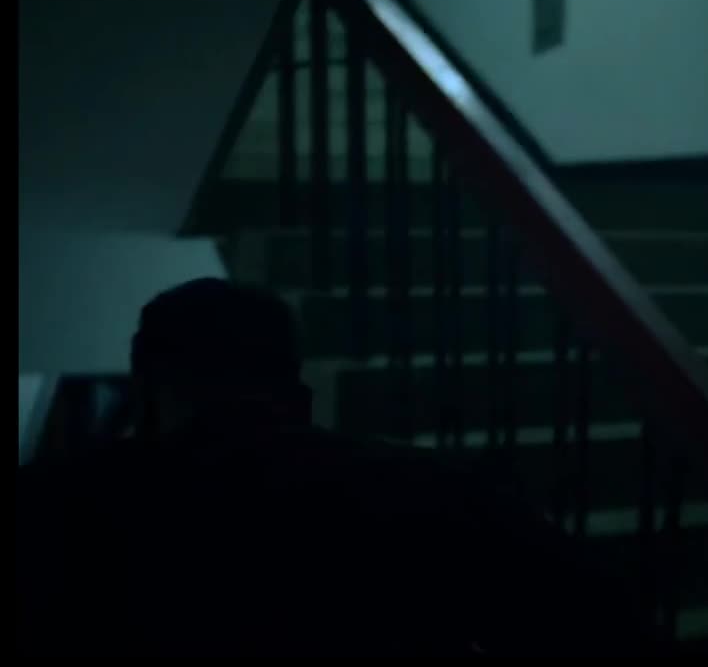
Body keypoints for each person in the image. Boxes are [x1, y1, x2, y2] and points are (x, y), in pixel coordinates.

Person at [18, 278, 651, 656]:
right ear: (295, 383)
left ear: (148, 384)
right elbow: (602, 623)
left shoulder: (57, 506)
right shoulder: (432, 490)